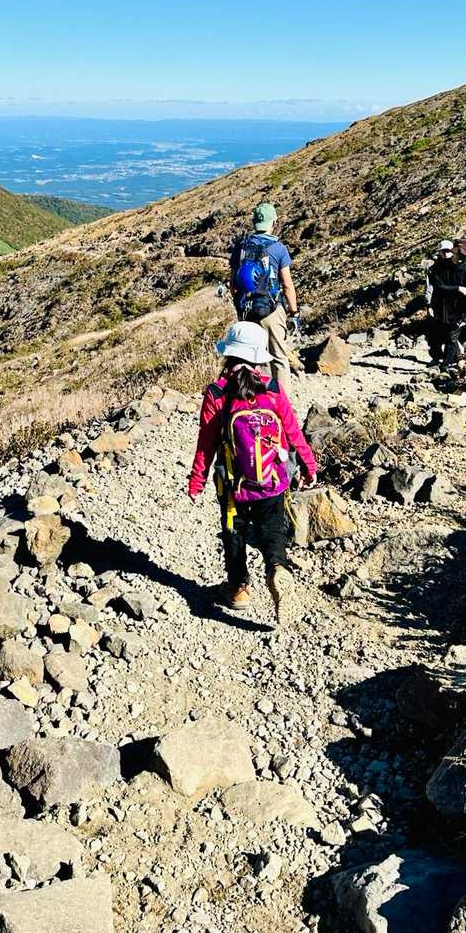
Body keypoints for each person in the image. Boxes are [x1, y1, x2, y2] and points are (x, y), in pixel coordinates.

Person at [186, 320, 317, 623]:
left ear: (228, 355)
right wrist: (308, 464)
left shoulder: (217, 393)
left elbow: (206, 443)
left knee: (233, 531)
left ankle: (239, 589)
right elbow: (293, 431)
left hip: (234, 484)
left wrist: (197, 481)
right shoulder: (271, 388)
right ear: (259, 357)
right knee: (272, 529)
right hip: (272, 479)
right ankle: (277, 568)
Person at [229, 202, 300, 394]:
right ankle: (282, 402)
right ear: (274, 222)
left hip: (247, 310)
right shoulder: (278, 248)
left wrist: (241, 307)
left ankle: (258, 399)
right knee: (279, 357)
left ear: (254, 222)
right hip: (272, 310)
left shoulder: (241, 246)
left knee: (254, 357)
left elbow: (233, 284)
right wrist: (294, 313)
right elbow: (287, 285)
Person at [426, 239, 466, 366]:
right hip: (439, 306)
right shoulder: (436, 268)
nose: (446, 254)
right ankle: (441, 359)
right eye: (443, 251)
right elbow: (434, 287)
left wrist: (465, 315)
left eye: (449, 251)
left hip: (455, 308)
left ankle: (447, 363)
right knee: (436, 335)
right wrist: (429, 304)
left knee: (451, 336)